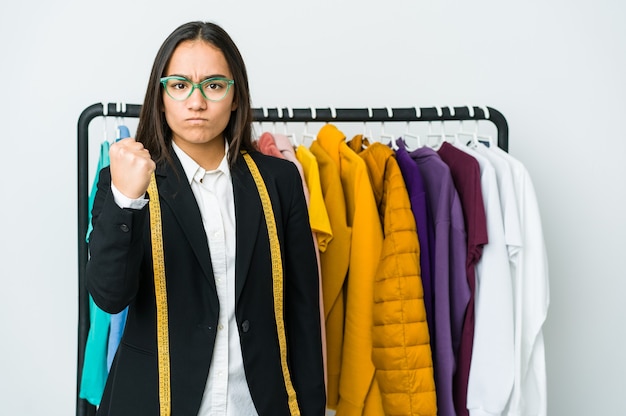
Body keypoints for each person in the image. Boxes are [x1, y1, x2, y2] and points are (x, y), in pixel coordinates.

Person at [86, 21, 326, 415]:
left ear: (235, 97)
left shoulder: (278, 180)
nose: (196, 102)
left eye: (213, 85)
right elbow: (110, 297)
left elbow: (302, 313)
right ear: (161, 96)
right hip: (155, 401)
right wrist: (124, 199)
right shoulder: (126, 180)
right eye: (180, 85)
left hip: (256, 403)